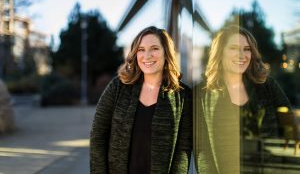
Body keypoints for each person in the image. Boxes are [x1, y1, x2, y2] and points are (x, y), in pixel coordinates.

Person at [90, 26, 192, 174]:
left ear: (166, 53)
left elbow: (183, 150)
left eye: (154, 48)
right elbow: (98, 136)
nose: (147, 55)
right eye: (141, 49)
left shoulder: (183, 96)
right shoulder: (118, 87)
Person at [193, 25, 291, 173]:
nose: (242, 55)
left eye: (246, 49)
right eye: (234, 48)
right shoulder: (202, 94)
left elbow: (289, 129)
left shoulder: (268, 86)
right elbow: (202, 152)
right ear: (220, 53)